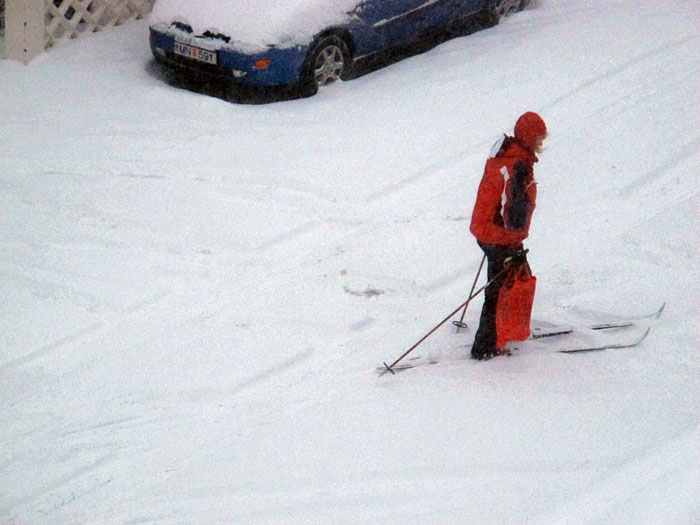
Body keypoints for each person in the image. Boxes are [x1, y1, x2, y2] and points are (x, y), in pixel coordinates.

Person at [469, 112, 547, 360]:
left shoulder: (507, 154)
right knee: (501, 289)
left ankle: (509, 329)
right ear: (528, 138)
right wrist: (514, 241)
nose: (541, 144)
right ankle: (485, 346)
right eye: (539, 138)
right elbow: (513, 212)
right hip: (497, 235)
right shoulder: (518, 165)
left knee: (513, 278)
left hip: (486, 228)